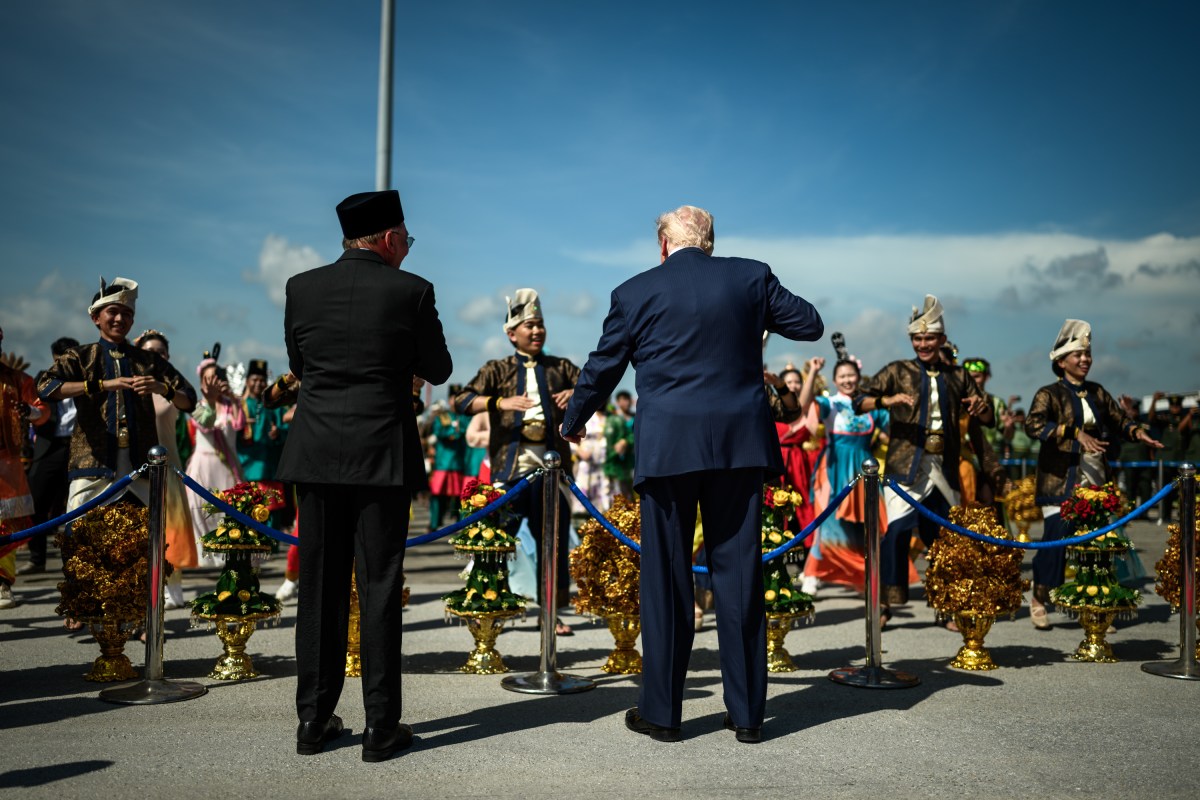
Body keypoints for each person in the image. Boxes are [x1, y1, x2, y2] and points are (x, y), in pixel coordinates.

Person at [561, 204, 823, 744]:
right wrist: (755, 312)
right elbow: (809, 323)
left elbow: (603, 365)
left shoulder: (634, 292)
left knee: (666, 581)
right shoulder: (750, 275)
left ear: (663, 245)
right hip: (738, 448)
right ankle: (748, 715)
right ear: (710, 241)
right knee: (741, 580)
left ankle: (662, 713)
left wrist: (573, 417)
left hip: (668, 450)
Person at [277, 189, 451, 762]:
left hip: (317, 453)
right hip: (382, 455)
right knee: (379, 589)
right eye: (406, 239)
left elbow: (302, 365)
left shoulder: (301, 288)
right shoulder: (413, 290)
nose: (407, 248)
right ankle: (381, 727)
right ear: (388, 238)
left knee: (319, 588)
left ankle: (313, 719)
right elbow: (440, 368)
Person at [851, 295, 994, 620]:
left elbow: (987, 419)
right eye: (918, 338)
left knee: (944, 538)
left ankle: (947, 605)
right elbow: (858, 400)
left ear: (942, 339)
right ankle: (884, 604)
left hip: (944, 467)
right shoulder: (897, 370)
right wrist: (888, 401)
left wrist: (980, 408)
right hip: (905, 469)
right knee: (897, 533)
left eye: (930, 338)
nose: (924, 343)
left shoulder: (958, 376)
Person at [453, 288, 580, 635]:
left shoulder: (561, 367)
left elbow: (594, 384)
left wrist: (578, 396)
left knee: (551, 543)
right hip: (510, 469)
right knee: (496, 541)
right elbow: (461, 401)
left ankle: (549, 612)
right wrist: (498, 404)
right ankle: (489, 606)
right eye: (529, 326)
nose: (537, 331)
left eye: (540, 325)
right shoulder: (497, 369)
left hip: (552, 471)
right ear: (512, 334)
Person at [1025, 320, 1162, 629]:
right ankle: (1040, 597)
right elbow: (1033, 426)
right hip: (1060, 480)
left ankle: (1095, 606)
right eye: (1078, 355)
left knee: (1098, 545)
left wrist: (1138, 432)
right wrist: (1073, 434)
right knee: (1056, 540)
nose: (1085, 360)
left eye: (1088, 354)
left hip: (1096, 479)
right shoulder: (1048, 394)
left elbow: (1117, 421)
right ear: (1061, 362)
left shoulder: (1098, 392)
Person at [797, 339, 891, 594]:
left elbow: (893, 429)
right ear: (835, 380)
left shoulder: (872, 406)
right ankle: (812, 572)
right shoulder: (831, 404)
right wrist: (813, 372)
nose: (847, 380)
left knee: (865, 525)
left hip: (865, 469)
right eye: (842, 376)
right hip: (834, 468)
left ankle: (864, 576)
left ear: (859, 377)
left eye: (851, 375)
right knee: (827, 521)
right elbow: (802, 405)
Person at [134, 330, 197, 607]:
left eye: (160, 352)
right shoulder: (129, 386)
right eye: (149, 351)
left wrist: (164, 388)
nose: (155, 356)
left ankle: (173, 586)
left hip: (168, 466)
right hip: (135, 469)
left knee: (170, 529)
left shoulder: (171, 387)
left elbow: (190, 402)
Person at [19, 336, 79, 577]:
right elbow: (33, 411)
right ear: (53, 359)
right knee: (36, 502)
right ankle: (36, 558)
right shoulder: (42, 379)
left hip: (79, 447)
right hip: (49, 446)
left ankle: (76, 561)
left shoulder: (87, 380)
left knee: (78, 503)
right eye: (59, 360)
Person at [0, 327, 48, 608]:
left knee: (5, 527)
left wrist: (27, 411)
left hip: (6, 462)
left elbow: (41, 410)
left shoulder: (15, 379)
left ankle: (3, 582)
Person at [184, 346, 245, 567]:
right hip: (202, 462)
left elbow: (239, 425)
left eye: (215, 379)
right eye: (206, 379)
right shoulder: (197, 406)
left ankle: (226, 553)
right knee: (197, 507)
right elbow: (204, 426)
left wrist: (234, 399)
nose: (211, 384)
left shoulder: (231, 406)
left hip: (226, 465)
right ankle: (204, 555)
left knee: (226, 511)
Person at [604, 390, 636, 499]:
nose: (625, 403)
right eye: (622, 400)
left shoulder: (634, 417)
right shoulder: (610, 417)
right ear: (617, 402)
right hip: (611, 460)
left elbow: (635, 436)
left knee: (628, 493)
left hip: (629, 459)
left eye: (627, 400)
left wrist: (625, 442)